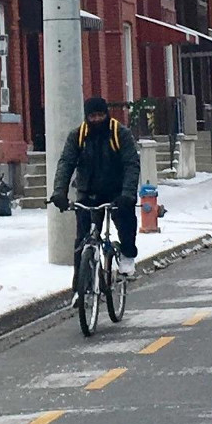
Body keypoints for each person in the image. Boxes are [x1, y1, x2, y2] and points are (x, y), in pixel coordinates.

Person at [50, 97, 140, 304]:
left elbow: (131, 164)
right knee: (82, 241)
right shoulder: (78, 136)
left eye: (100, 115)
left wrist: (127, 193)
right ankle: (79, 291)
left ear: (106, 114)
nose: (97, 119)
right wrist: (59, 192)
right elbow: (66, 163)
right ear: (87, 117)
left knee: (125, 219)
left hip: (117, 191)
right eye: (92, 116)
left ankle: (127, 254)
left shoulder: (120, 134)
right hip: (88, 192)